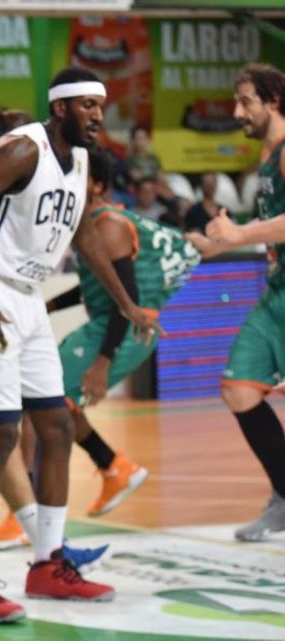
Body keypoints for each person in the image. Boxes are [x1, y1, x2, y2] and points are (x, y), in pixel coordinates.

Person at [0, 67, 158, 622]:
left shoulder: (80, 160)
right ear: (60, 108)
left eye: (101, 106)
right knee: (2, 434)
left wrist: (125, 303)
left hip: (30, 296)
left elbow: (84, 236)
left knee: (57, 425)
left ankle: (48, 564)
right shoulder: (23, 150)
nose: (98, 116)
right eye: (87, 106)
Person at [0, 147, 202, 549]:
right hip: (108, 323)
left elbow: (127, 301)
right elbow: (99, 286)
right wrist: (49, 305)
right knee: (48, 403)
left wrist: (103, 362)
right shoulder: (88, 224)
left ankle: (27, 512)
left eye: (77, 174)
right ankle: (112, 467)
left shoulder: (109, 226)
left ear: (98, 185)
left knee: (38, 401)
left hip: (124, 328)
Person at [187, 63, 285, 542]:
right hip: (276, 294)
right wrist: (217, 244)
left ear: (274, 101)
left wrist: (239, 234)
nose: (237, 111)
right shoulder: (267, 159)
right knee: (238, 388)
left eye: (246, 101)